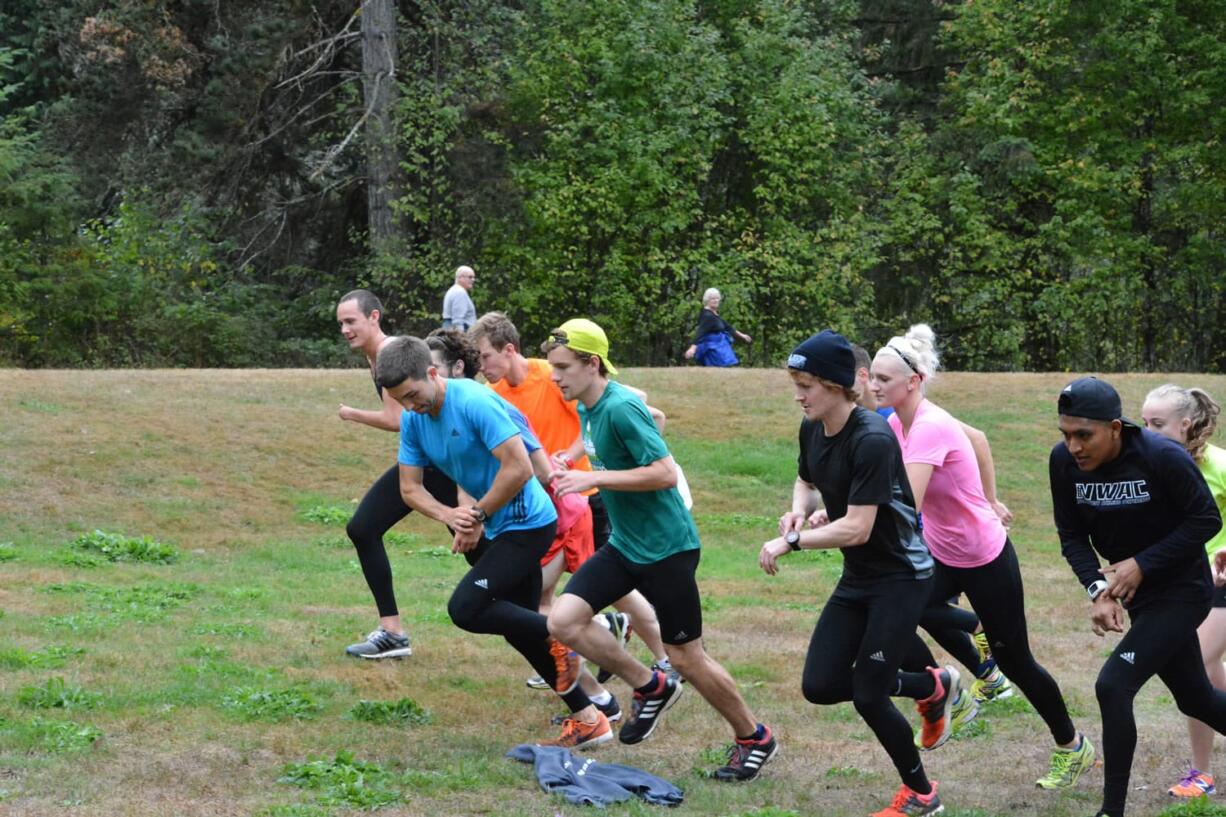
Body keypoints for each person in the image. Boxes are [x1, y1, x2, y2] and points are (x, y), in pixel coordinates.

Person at [543, 319, 778, 781]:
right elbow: (650, 419)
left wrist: (592, 477)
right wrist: (572, 456)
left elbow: (665, 472)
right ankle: (649, 686)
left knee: (688, 655)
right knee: (562, 620)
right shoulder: (592, 402)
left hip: (668, 548)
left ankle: (754, 736)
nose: (554, 377)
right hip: (627, 544)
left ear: (593, 364)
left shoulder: (620, 404)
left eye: (563, 368)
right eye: (553, 367)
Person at [871, 325, 1094, 789]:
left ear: (912, 381)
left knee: (1018, 662)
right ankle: (954, 683)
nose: (872, 386)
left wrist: (987, 505)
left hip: (983, 554)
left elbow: (906, 503)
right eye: (871, 377)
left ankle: (1073, 746)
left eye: (882, 380)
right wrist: (989, 497)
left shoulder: (929, 425)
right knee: (897, 607)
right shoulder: (897, 422)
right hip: (943, 551)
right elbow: (976, 439)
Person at [759, 329, 966, 817]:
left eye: (807, 384)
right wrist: (796, 511)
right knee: (821, 685)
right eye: (796, 382)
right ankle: (931, 686)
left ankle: (922, 794)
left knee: (871, 694)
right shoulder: (813, 427)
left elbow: (856, 527)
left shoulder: (871, 438)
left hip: (900, 577)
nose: (799, 394)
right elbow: (806, 479)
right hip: (860, 577)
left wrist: (790, 541)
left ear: (836, 385)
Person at [375, 335, 615, 747]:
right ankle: (592, 715)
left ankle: (563, 633)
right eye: (401, 400)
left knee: (466, 608)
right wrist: (450, 515)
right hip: (494, 526)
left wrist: (478, 515)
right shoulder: (414, 419)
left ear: (433, 373)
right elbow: (410, 488)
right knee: (520, 630)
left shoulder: (473, 402)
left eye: (413, 394)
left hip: (527, 524)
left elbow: (519, 467)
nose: (410, 406)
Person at [1051, 376, 1226, 817]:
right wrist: (1098, 591)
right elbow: (1071, 535)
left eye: (1084, 435)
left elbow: (1205, 520)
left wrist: (1143, 563)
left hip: (1184, 591)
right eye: (1066, 434)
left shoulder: (1161, 456)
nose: (1074, 446)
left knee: (1113, 685)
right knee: (1197, 699)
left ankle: (1110, 812)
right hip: (1138, 596)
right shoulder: (1064, 464)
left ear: (1115, 427)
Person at [470, 312, 676, 682]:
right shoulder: (493, 395)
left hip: (585, 501)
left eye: (485, 356)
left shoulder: (552, 374)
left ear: (509, 349)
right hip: (543, 508)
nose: (481, 366)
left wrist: (570, 454)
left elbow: (621, 405)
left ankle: (658, 660)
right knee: (548, 593)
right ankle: (571, 656)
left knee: (610, 589)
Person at [336, 290, 458, 660]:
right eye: (341, 323)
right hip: (427, 458)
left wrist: (351, 414)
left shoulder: (390, 354)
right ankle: (392, 632)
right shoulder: (376, 356)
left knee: (488, 552)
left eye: (351, 321)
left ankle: (585, 618)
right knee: (363, 528)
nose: (344, 329)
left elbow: (397, 419)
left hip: (443, 462)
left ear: (374, 317)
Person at [1139, 385, 1226, 797]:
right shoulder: (1145, 465)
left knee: (1200, 665)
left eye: (1157, 424)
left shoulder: (1218, 465)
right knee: (1207, 674)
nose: (1147, 432)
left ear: (1185, 425)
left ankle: (1202, 774)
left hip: (1222, 580)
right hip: (1182, 585)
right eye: (1143, 423)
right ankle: (1204, 771)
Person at [683, 288, 751, 367]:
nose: (716, 300)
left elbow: (727, 326)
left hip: (719, 346)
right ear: (707, 300)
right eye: (713, 298)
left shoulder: (714, 313)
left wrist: (742, 335)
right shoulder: (707, 316)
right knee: (717, 369)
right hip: (712, 348)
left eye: (717, 298)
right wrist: (693, 348)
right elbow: (700, 332)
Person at [441, 265, 477, 332]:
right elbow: (458, 320)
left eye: (473, 277)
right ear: (460, 277)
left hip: (450, 328)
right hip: (459, 331)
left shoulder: (453, 290)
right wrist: (460, 339)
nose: (473, 280)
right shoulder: (460, 293)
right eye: (470, 277)